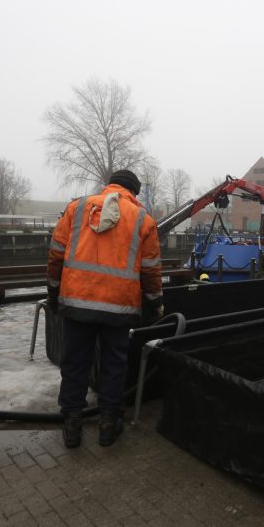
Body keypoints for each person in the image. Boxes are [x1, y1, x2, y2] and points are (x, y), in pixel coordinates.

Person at [47, 169, 163, 448]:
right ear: (134, 192)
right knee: (114, 364)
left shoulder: (77, 208)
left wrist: (53, 291)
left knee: (75, 363)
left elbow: (55, 254)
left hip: (77, 302)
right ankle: (109, 424)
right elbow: (150, 269)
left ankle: (72, 424)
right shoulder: (143, 220)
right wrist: (155, 302)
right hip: (119, 307)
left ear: (109, 185)